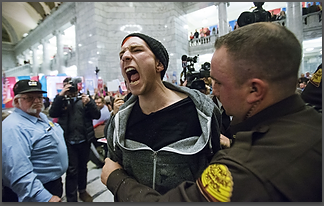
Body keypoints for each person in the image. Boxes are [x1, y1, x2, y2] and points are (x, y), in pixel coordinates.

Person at [101, 22, 322, 202]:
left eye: (218, 82)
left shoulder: (238, 157)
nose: (212, 91)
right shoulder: (313, 125)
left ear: (255, 89)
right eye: (122, 53)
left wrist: (116, 179)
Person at [104, 32, 221, 196]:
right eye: (122, 54)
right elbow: (115, 168)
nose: (125, 57)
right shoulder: (120, 121)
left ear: (159, 64)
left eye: (136, 50)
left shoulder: (202, 111)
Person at [2, 79, 68, 202]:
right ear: (17, 101)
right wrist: (45, 198)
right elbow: (18, 172)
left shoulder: (40, 117)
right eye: (30, 98)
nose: (37, 101)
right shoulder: (13, 127)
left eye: (39, 97)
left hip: (52, 184)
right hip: (33, 192)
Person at [49, 77, 101, 202]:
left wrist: (90, 103)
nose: (70, 88)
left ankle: (82, 190)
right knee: (71, 171)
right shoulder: (61, 101)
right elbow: (53, 113)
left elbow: (96, 115)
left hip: (84, 140)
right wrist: (61, 95)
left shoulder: (84, 99)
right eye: (67, 86)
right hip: (68, 142)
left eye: (72, 86)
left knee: (83, 167)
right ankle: (72, 198)